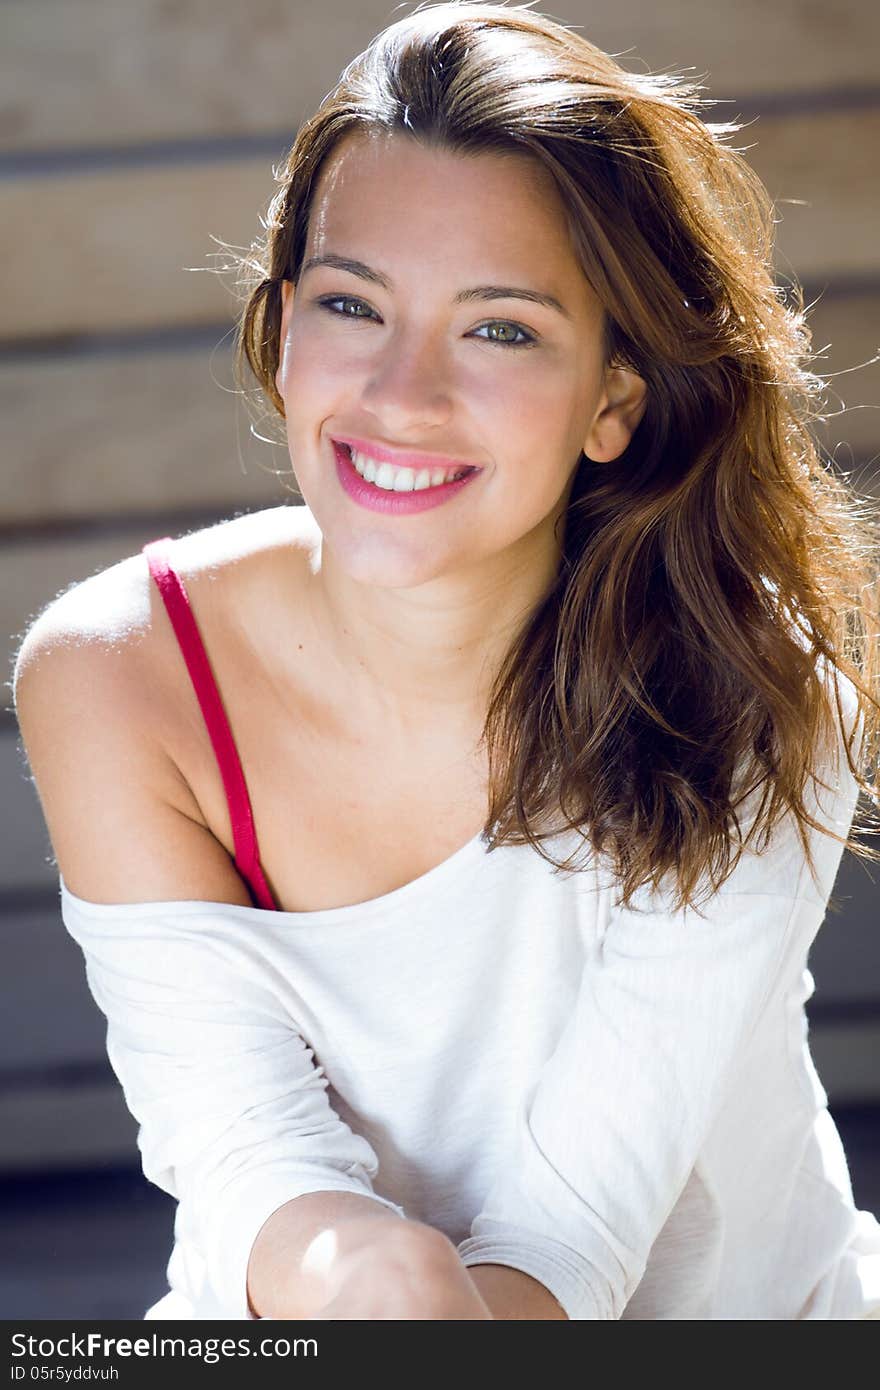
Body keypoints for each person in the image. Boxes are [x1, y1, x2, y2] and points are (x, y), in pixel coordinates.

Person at [12, 0, 880, 1321]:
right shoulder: (119, 674)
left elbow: (570, 1241)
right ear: (285, 324)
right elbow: (245, 1156)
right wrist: (371, 1272)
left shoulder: (745, 686)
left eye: (501, 328)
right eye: (353, 304)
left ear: (613, 403)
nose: (401, 394)